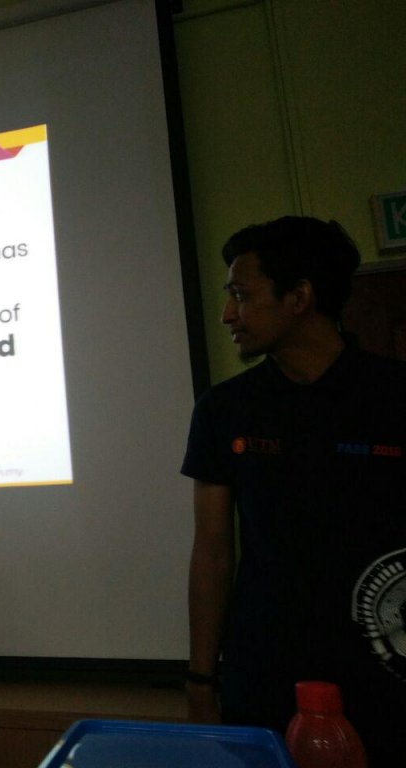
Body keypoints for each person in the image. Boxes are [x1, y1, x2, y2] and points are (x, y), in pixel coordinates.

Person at [181, 216, 406, 766]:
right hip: (264, 676)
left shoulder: (395, 395)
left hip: (387, 668)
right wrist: (201, 680)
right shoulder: (223, 409)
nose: (227, 314)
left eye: (241, 295)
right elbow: (212, 551)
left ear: (299, 297)